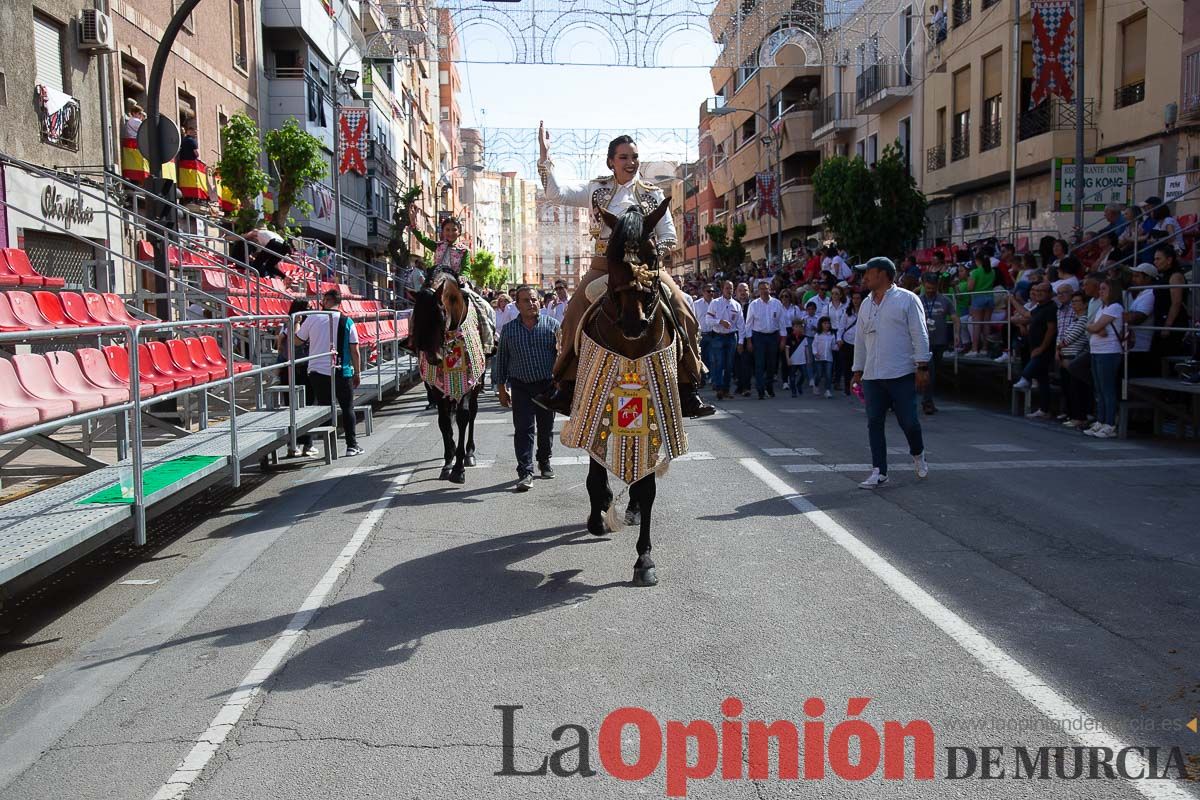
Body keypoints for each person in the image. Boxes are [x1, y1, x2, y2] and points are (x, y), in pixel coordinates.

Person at [536, 124, 712, 418]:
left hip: (646, 267)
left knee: (682, 307)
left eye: (634, 157)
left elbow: (669, 235)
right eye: (624, 157)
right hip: (605, 265)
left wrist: (650, 251)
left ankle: (688, 386)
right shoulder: (597, 189)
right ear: (611, 162)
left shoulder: (654, 194)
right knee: (574, 310)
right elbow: (557, 194)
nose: (631, 162)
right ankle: (565, 385)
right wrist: (545, 156)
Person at [851, 257, 931, 488]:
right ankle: (879, 471)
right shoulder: (866, 304)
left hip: (901, 373)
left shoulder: (907, 299)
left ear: (883, 274)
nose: (865, 277)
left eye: (868, 272)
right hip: (872, 375)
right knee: (874, 422)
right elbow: (860, 340)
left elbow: (920, 333)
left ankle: (918, 452)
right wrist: (857, 370)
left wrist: (922, 366)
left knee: (909, 422)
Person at [494, 285, 560, 491]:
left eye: (534, 299)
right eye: (526, 300)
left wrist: (562, 382)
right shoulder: (509, 330)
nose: (531, 303)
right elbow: (502, 360)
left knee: (546, 428)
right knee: (523, 429)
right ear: (517, 305)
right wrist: (501, 388)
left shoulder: (553, 325)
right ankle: (525, 471)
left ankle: (544, 460)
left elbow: (562, 357)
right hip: (520, 386)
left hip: (546, 385)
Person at [296, 289, 362, 456]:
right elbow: (355, 350)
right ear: (339, 302)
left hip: (317, 371)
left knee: (325, 408)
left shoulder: (312, 318)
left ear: (326, 301)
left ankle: (329, 449)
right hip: (341, 370)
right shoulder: (347, 321)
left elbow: (297, 340)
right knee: (347, 407)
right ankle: (352, 445)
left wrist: (296, 323)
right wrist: (358, 372)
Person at [1084, 279, 1125, 438]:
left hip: (1109, 351)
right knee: (1099, 389)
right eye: (1100, 289)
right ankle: (1100, 421)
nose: (1100, 292)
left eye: (1104, 289)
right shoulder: (1102, 308)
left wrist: (1094, 328)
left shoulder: (1115, 307)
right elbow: (1093, 326)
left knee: (1107, 389)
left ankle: (1110, 423)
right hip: (1096, 350)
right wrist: (1095, 329)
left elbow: (1093, 326)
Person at [1011, 281, 1058, 419]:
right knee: (1043, 380)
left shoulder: (1051, 308)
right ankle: (1044, 409)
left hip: (1044, 349)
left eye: (1042, 291)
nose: (1038, 293)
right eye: (1036, 291)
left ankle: (1026, 378)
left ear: (1049, 293)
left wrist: (1042, 347)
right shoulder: (1038, 307)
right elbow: (1026, 315)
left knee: (1028, 373)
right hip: (1034, 347)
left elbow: (1051, 329)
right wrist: (1013, 301)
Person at [278, 298, 316, 458]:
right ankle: (293, 445)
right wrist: (296, 322)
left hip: (305, 367)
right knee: (292, 407)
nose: (310, 311)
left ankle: (307, 443)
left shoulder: (309, 323)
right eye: (307, 308)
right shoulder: (290, 324)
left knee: (307, 405)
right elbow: (291, 341)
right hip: (292, 369)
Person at [741, 281, 787, 399]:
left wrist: (783, 340)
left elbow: (782, 322)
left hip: (773, 336)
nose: (764, 291)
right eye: (761, 289)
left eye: (766, 288)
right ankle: (760, 390)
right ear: (758, 290)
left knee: (772, 364)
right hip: (758, 337)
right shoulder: (754, 304)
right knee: (759, 364)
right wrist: (749, 341)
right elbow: (748, 324)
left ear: (770, 289)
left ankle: (769, 386)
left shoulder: (777, 303)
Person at [919, 272, 955, 414]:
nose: (930, 290)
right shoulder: (918, 301)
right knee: (930, 372)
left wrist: (957, 333)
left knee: (934, 372)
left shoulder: (945, 300)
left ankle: (927, 399)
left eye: (933, 288)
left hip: (940, 342)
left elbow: (954, 316)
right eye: (928, 288)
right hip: (924, 343)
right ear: (923, 285)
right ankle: (927, 402)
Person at [1056, 292, 1091, 429]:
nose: (1074, 304)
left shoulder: (1084, 319)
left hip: (1073, 358)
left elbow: (1069, 338)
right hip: (1064, 357)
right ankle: (1072, 415)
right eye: (1073, 301)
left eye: (1077, 301)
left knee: (1076, 389)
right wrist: (1059, 350)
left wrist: (1059, 346)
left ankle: (1079, 417)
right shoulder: (1075, 320)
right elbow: (1062, 336)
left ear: (1085, 304)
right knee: (1068, 389)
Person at [705, 280, 743, 400]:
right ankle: (719, 388)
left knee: (729, 365)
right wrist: (720, 321)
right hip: (718, 336)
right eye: (727, 288)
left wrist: (741, 341)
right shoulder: (715, 303)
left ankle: (726, 389)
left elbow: (741, 324)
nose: (729, 290)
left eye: (731, 288)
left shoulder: (736, 305)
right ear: (722, 289)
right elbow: (708, 320)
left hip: (731, 337)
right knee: (719, 363)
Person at [1125, 263, 1159, 378]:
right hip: (1133, 346)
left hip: (1142, 347)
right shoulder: (1141, 293)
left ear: (1148, 278)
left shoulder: (1151, 293)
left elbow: (1137, 318)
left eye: (1137, 276)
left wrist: (1117, 315)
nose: (1133, 279)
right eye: (1133, 276)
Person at [966, 252, 996, 356]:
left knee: (977, 324)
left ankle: (974, 349)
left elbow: (970, 288)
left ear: (977, 260)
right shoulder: (992, 271)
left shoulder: (975, 272)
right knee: (987, 323)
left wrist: (968, 280)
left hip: (978, 297)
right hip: (990, 297)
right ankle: (985, 348)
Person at [694, 284, 715, 386]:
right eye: (708, 291)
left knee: (712, 358)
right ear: (703, 292)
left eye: (712, 291)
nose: (711, 293)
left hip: (713, 334)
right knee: (701, 358)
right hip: (701, 335)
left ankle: (712, 378)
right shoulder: (696, 304)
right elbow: (693, 319)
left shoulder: (716, 303)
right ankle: (701, 379)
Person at [811, 317, 836, 398]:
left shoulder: (832, 335)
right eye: (825, 323)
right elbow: (814, 345)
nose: (827, 325)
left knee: (828, 374)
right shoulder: (817, 335)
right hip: (819, 358)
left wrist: (838, 346)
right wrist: (815, 353)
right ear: (821, 324)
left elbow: (833, 346)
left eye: (828, 323)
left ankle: (827, 390)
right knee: (819, 373)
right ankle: (816, 384)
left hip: (829, 358)